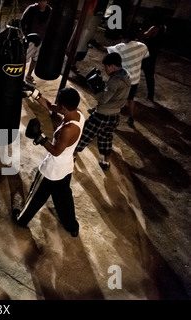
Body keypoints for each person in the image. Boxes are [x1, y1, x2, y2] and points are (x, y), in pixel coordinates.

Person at [13, 87, 84, 238]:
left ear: (64, 107)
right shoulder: (78, 114)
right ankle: (72, 226)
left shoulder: (68, 130)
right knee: (64, 198)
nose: (56, 106)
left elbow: (56, 151)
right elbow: (50, 106)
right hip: (66, 168)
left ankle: (21, 219)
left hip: (52, 170)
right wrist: (35, 94)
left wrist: (40, 137)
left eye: (59, 104)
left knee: (35, 196)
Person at [74, 52, 131, 171]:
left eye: (106, 66)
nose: (105, 69)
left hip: (101, 116)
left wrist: (96, 89)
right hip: (114, 117)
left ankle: (70, 158)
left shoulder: (115, 81)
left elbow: (103, 99)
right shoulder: (125, 74)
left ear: (113, 66)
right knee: (106, 139)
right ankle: (105, 163)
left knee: (83, 137)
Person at [94, 30, 149, 128]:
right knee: (131, 99)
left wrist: (94, 43)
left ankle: (103, 112)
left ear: (125, 38)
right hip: (135, 79)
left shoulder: (121, 47)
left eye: (122, 38)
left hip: (123, 78)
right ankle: (131, 118)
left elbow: (104, 49)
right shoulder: (143, 46)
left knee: (112, 95)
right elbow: (145, 56)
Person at [21, 0, 51, 86]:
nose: (42, 3)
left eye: (44, 1)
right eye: (41, 1)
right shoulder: (31, 9)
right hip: (30, 39)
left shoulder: (50, 12)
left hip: (41, 40)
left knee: (35, 59)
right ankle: (19, 77)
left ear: (47, 1)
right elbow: (22, 23)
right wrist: (25, 36)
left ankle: (29, 75)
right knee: (23, 60)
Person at [139, 12, 166, 102]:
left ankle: (127, 90)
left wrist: (141, 31)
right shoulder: (164, 28)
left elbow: (144, 36)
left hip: (147, 53)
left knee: (133, 69)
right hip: (153, 54)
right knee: (149, 75)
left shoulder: (154, 28)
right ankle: (150, 95)